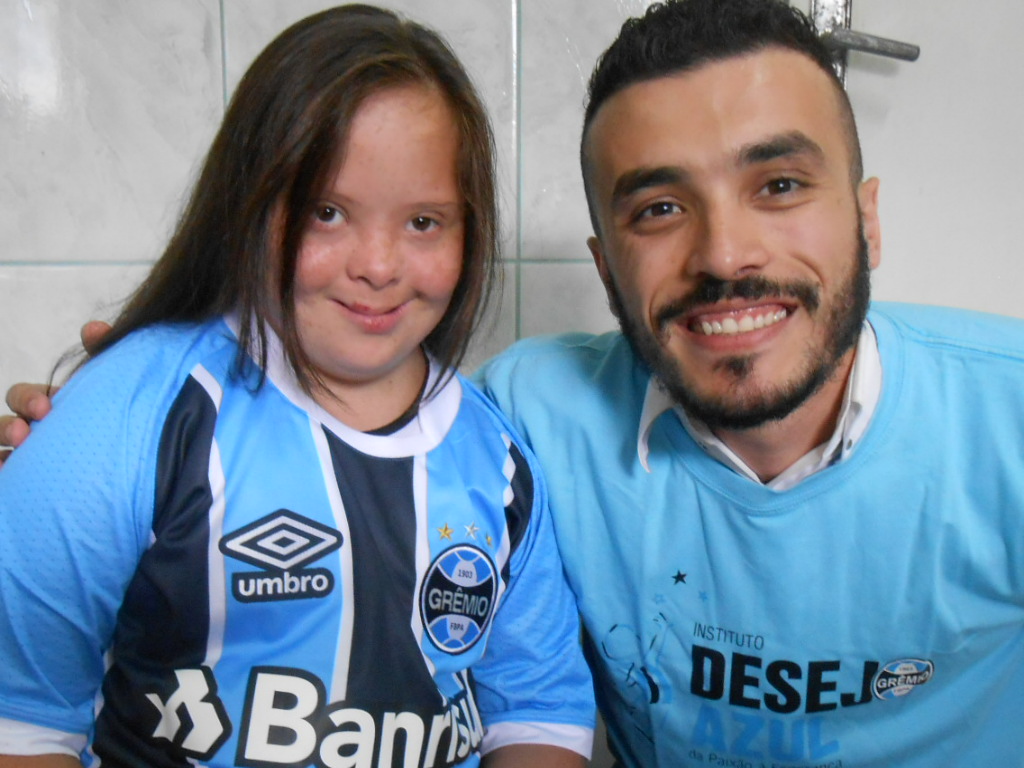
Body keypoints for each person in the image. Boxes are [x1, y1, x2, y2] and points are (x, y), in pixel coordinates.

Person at [8, 0, 1024, 766]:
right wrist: (91, 437)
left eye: (780, 185)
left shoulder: (1008, 418)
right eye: (659, 208)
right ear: (602, 258)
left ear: (868, 215)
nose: (725, 253)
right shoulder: (525, 418)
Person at [0, 6, 594, 768]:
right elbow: (23, 720)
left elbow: (539, 717)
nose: (378, 265)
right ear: (248, 205)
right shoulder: (133, 412)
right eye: (327, 211)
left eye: (423, 221)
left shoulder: (500, 464)